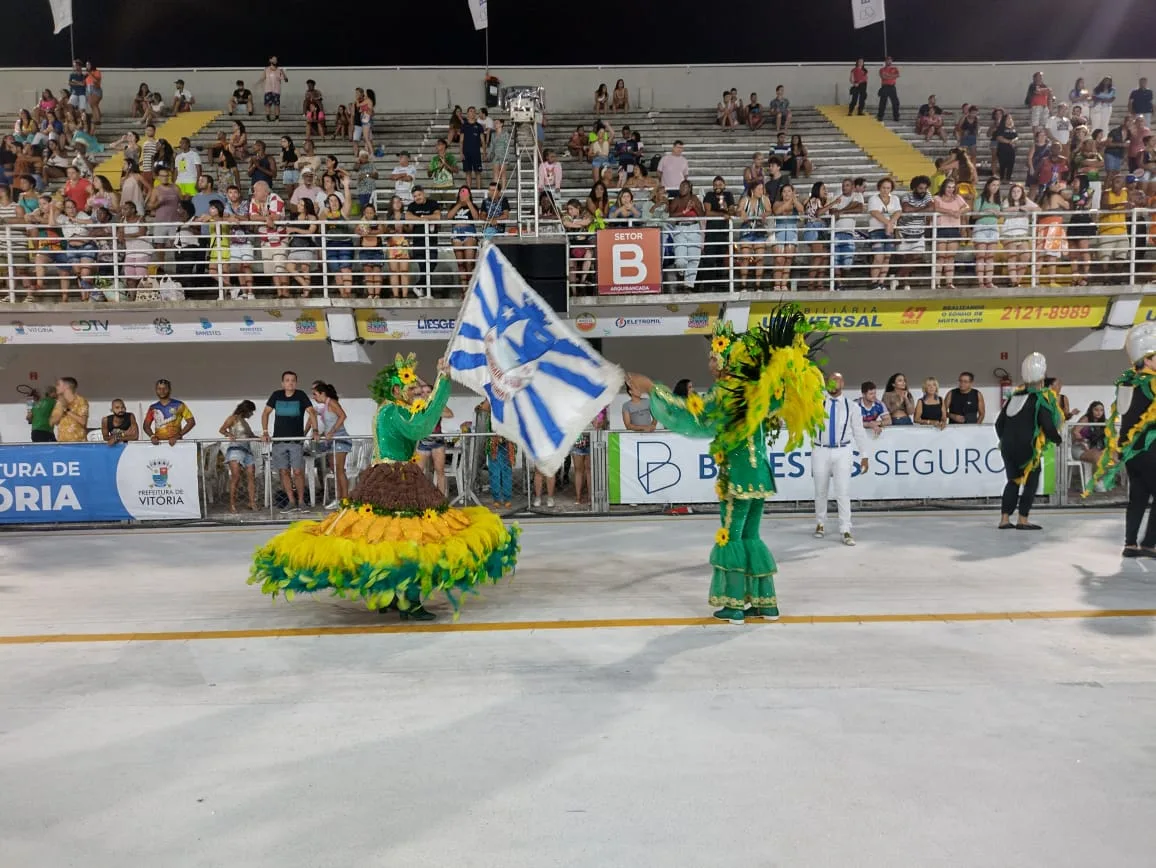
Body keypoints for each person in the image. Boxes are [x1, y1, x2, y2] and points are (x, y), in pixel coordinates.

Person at [250, 354, 520, 620]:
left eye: (415, 387)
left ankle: (390, 596)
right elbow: (420, 428)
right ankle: (409, 602)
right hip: (398, 478)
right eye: (410, 387)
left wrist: (438, 382)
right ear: (395, 389)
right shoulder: (394, 410)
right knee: (411, 539)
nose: (414, 392)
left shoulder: (385, 409)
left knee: (387, 539)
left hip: (383, 474)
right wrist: (443, 385)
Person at [626, 308, 829, 623]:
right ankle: (765, 603)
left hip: (737, 475)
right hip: (759, 474)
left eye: (712, 356)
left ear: (724, 360)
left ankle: (734, 605)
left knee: (731, 536)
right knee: (750, 535)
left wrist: (652, 388)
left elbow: (693, 413)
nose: (709, 362)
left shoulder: (728, 393)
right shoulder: (756, 389)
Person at [1088, 322, 1156, 556]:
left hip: (1131, 453)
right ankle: (1149, 543)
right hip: (1149, 451)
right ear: (1147, 360)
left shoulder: (1127, 383)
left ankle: (1130, 544)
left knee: (1138, 496)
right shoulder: (1150, 383)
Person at [995, 352, 1063, 531]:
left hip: (1008, 448)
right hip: (1028, 448)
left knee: (1013, 481)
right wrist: (1058, 439)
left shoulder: (1013, 398)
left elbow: (998, 424)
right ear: (1042, 376)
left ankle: (1004, 519)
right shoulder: (1040, 398)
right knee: (1031, 482)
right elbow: (1048, 425)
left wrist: (1006, 439)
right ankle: (1022, 519)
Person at [812, 372, 871, 547]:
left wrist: (864, 455)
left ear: (843, 383)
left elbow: (859, 432)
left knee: (843, 491)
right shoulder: (817, 403)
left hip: (843, 450)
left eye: (837, 379)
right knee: (820, 490)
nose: (834, 382)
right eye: (831, 379)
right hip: (820, 449)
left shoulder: (852, 407)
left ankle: (845, 528)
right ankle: (820, 523)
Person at [261, 371, 318, 513]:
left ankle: (301, 501)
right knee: (284, 471)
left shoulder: (301, 395)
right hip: (279, 440)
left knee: (298, 471)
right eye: (287, 380)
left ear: (296, 383)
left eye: (293, 380)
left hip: (296, 440)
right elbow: (265, 413)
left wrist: (315, 430)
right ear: (282, 383)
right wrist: (265, 432)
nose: (290, 383)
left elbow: (311, 412)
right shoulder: (276, 395)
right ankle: (291, 501)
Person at [476, 398, 517, 509]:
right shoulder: (490, 405)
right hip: (493, 445)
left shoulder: (511, 405)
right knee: (495, 473)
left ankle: (507, 498)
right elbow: (483, 408)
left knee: (506, 473)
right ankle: (497, 498)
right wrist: (490, 394)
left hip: (508, 445)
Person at [219, 400, 259, 514]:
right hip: (235, 449)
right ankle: (232, 504)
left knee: (251, 475)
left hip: (247, 450)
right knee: (236, 476)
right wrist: (228, 434)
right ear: (246, 410)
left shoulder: (245, 422)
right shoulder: (233, 418)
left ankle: (252, 502)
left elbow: (251, 435)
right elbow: (222, 429)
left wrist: (260, 438)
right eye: (251, 411)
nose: (251, 414)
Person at [143, 378, 195, 446]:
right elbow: (146, 425)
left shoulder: (179, 405)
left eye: (165, 388)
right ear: (156, 390)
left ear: (170, 390)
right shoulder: (153, 407)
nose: (162, 391)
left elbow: (191, 422)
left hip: (176, 444)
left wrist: (178, 436)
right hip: (158, 444)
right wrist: (152, 436)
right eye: (159, 389)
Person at [50, 376, 89, 442]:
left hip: (78, 443)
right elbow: (52, 422)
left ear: (66, 386)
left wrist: (67, 410)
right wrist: (60, 410)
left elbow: (83, 421)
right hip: (62, 443)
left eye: (58, 385)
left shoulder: (81, 401)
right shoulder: (59, 403)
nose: (56, 387)